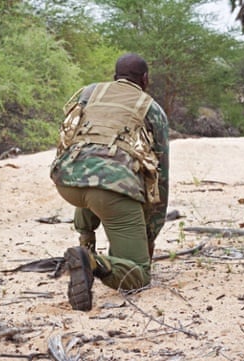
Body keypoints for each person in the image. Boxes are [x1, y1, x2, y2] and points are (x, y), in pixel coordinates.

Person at [50, 53, 169, 311]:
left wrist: (85, 228)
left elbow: (71, 138)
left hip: (67, 180)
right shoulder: (151, 108)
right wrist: (150, 234)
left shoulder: (89, 92)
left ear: (115, 76)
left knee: (92, 174)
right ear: (145, 79)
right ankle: (94, 263)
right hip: (112, 190)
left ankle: (85, 243)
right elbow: (160, 178)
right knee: (137, 275)